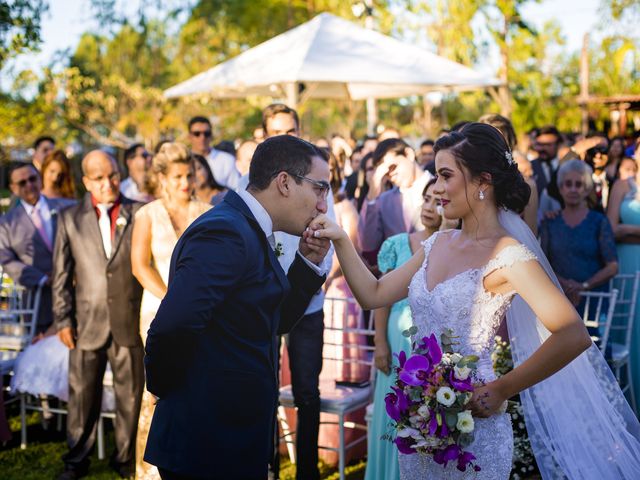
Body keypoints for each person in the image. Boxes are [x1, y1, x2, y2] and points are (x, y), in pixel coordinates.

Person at [311, 122, 640, 479]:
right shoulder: (437, 243)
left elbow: (572, 334)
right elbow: (373, 294)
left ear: (483, 181)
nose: (435, 189)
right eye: (435, 176)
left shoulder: (507, 254)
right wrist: (340, 239)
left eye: (445, 176)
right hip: (421, 421)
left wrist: (503, 387)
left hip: (475, 426)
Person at [143, 135, 331, 479]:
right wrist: (166, 388)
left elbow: (271, 323)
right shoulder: (224, 231)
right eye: (320, 188)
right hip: (206, 440)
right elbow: (173, 325)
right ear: (285, 182)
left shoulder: (248, 229)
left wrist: (306, 265)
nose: (323, 205)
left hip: (234, 437)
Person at [53, 151, 144, 480]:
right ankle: (76, 461)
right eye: (100, 178)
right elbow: (61, 276)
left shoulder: (139, 212)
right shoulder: (69, 218)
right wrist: (63, 320)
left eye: (114, 175)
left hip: (129, 320)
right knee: (81, 396)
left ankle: (125, 460)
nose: (109, 183)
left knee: (130, 395)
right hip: (85, 323)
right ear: (87, 181)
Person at [258, 103, 335, 480]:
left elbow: (330, 235)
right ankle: (267, 465)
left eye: (290, 130)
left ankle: (307, 471)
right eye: (277, 131)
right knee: (264, 388)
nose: (285, 136)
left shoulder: (317, 179)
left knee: (307, 391)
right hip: (266, 301)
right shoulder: (251, 178)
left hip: (308, 303)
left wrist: (313, 269)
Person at [131, 143, 211, 480]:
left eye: (189, 175)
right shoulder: (146, 214)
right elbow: (139, 266)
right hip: (156, 312)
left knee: (196, 389)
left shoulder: (208, 211)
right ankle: (150, 471)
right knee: (157, 392)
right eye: (177, 176)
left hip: (200, 315)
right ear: (162, 177)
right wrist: (170, 298)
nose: (185, 182)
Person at [365, 178, 442, 480]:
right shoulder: (398, 244)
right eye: (426, 199)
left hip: (431, 345)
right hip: (398, 341)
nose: (429, 207)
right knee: (392, 411)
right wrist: (380, 343)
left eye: (438, 200)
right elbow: (381, 299)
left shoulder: (453, 248)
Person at [0, 162, 75, 334]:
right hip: (39, 302)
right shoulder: (6, 223)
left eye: (32, 179)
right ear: (13, 188)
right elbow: (6, 260)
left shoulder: (67, 207)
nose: (29, 185)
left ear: (40, 180)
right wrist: (41, 278)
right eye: (22, 183)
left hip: (75, 297)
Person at [540, 160, 618, 308]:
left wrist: (584, 286)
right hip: (558, 300)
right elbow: (542, 264)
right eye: (568, 184)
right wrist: (566, 285)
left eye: (579, 184)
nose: (573, 189)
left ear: (587, 189)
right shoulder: (549, 222)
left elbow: (613, 266)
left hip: (593, 299)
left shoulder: (600, 221)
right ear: (561, 188)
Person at [358, 138, 432, 269]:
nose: (391, 174)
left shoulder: (440, 189)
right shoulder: (383, 201)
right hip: (398, 281)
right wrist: (373, 190)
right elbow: (367, 245)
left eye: (392, 166)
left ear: (408, 154)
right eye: (385, 172)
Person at [607, 154, 640, 411]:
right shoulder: (623, 185)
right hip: (627, 264)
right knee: (628, 327)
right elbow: (610, 228)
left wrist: (627, 230)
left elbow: (621, 229)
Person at [187, 116, 240, 190]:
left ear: (211, 135)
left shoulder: (227, 160)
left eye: (206, 133)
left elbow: (236, 189)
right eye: (197, 133)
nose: (202, 137)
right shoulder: (184, 161)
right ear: (189, 136)